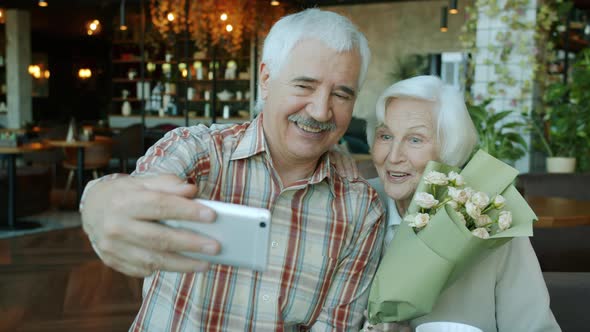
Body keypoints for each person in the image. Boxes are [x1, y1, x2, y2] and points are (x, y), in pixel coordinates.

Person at [80, 9, 385, 330]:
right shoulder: (197, 151)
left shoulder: (360, 208)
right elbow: (132, 193)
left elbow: (334, 326)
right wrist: (99, 202)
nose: (321, 111)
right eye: (304, 86)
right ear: (266, 80)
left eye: (341, 94)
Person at [364, 75, 560, 331]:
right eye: (385, 136)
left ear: (449, 148)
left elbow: (534, 327)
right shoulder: (354, 205)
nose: (394, 156)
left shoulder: (487, 216)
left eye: (415, 140)